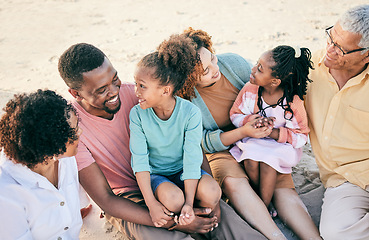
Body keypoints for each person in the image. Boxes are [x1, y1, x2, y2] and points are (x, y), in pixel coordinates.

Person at [58, 42, 267, 239]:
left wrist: (212, 200)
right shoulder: (74, 127)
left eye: (115, 79)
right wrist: (173, 223)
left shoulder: (141, 95)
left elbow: (190, 144)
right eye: (102, 90)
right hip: (129, 199)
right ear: (75, 93)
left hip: (174, 176)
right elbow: (105, 199)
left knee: (228, 226)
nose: (114, 91)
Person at [175, 28, 321, 239]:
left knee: (279, 180)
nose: (215, 69)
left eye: (213, 59)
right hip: (222, 150)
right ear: (188, 79)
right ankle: (275, 235)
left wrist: (264, 129)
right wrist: (242, 130)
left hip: (259, 139)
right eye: (205, 71)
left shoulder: (233, 64)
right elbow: (205, 143)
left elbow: (264, 91)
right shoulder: (186, 99)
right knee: (236, 183)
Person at [130, 36, 222, 227]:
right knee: (174, 200)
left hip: (184, 171)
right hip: (158, 176)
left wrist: (189, 203)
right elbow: (140, 160)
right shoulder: (137, 115)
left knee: (212, 192)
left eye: (142, 86)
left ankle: (192, 212)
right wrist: (151, 204)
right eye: (136, 83)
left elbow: (192, 157)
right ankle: (185, 219)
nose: (136, 92)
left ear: (165, 91)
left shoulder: (190, 113)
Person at [304, 5, 369, 240]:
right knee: (336, 233)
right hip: (344, 180)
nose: (330, 50)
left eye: (341, 49)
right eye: (331, 37)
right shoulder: (308, 69)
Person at [229, 45, 312, 210]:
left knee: (268, 163)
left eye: (259, 69)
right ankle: (259, 194)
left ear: (274, 81)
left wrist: (274, 133)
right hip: (255, 139)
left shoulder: (292, 102)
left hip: (281, 145)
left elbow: (301, 136)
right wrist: (251, 121)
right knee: (251, 160)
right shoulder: (250, 90)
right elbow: (235, 114)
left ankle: (264, 206)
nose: (252, 69)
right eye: (256, 64)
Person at [0, 90, 83, 239]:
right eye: (73, 131)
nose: (80, 132)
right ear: (52, 145)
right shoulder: (6, 193)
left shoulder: (65, 158)